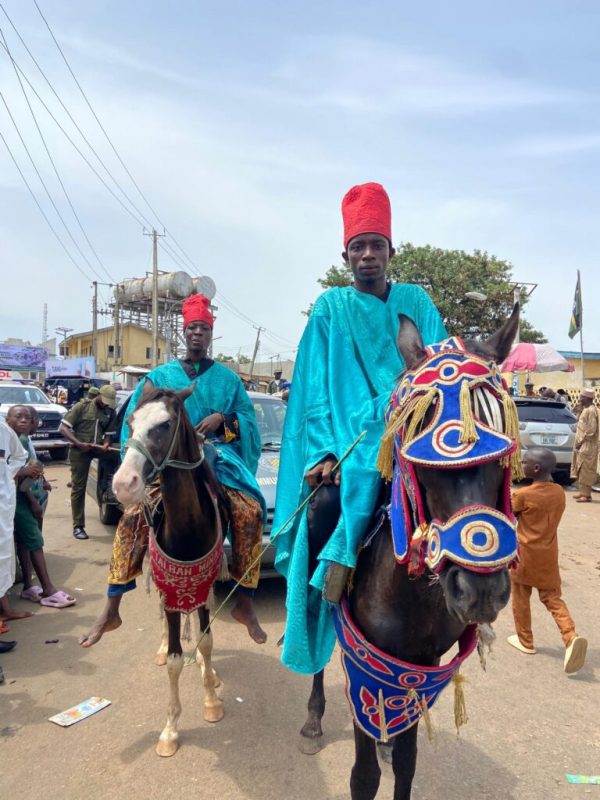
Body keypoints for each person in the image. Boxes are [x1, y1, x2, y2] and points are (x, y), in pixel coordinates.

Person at [272, 182, 446, 675]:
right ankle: (315, 601)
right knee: (324, 507)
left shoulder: (417, 302)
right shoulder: (330, 308)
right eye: (358, 247)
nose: (368, 255)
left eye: (377, 245)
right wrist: (326, 453)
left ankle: (468, 600)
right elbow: (315, 392)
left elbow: (439, 370)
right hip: (349, 448)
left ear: (391, 251)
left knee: (460, 502)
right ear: (345, 255)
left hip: (409, 440)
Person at [79, 293, 268, 648]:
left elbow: (248, 424)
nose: (197, 333)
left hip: (216, 458)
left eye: (204, 328)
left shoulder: (228, 380)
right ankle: (112, 603)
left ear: (211, 334)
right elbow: (135, 423)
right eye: (192, 327)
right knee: (133, 516)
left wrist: (224, 420)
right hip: (166, 463)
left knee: (249, 511)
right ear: (184, 332)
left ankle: (244, 601)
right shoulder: (158, 377)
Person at [507, 447, 587, 674]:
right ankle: (570, 636)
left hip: (525, 555)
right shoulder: (559, 492)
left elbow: (509, 512)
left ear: (535, 468)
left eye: (524, 462)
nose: (521, 465)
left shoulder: (524, 495)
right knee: (552, 598)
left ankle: (526, 641)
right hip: (549, 555)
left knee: (521, 596)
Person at [6, 406, 76, 609]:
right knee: (35, 541)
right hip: (20, 500)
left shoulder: (22, 439)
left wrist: (39, 478)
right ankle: (48, 589)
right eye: (18, 417)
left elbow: (30, 466)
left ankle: (28, 585)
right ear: (7, 419)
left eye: (28, 418)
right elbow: (12, 473)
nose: (25, 421)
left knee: (26, 542)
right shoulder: (13, 440)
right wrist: (34, 501)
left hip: (24, 496)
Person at [59, 384, 117, 539]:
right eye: (104, 401)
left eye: (108, 402)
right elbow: (63, 428)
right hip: (80, 449)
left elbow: (109, 434)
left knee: (120, 452)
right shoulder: (81, 407)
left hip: (97, 448)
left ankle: (110, 486)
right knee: (78, 487)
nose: (105, 404)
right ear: (98, 395)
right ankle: (78, 526)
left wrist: (106, 444)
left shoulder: (110, 411)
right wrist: (78, 443)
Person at [0, 413, 30, 649]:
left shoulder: (3, 430)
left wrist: (6, 476)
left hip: (3, 506)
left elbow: (20, 455)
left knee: (3, 557)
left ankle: (5, 611)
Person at [570, 388, 599, 502]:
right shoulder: (585, 409)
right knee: (581, 468)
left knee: (586, 469)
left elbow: (591, 430)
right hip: (583, 444)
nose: (580, 399)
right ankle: (583, 492)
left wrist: (580, 442)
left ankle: (586, 495)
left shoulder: (591, 411)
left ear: (587, 398)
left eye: (582, 397)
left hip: (587, 444)